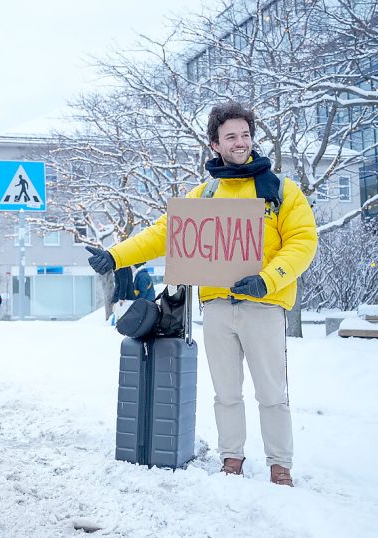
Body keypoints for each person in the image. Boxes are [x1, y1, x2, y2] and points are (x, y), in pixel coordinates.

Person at [86, 101, 317, 487]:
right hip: (217, 306)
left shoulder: (281, 191)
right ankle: (232, 459)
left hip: (264, 304)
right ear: (215, 144)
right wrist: (115, 255)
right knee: (226, 392)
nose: (240, 142)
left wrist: (268, 278)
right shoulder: (205, 196)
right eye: (231, 137)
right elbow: (162, 234)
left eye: (245, 135)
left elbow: (303, 242)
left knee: (272, 392)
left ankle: (280, 465)